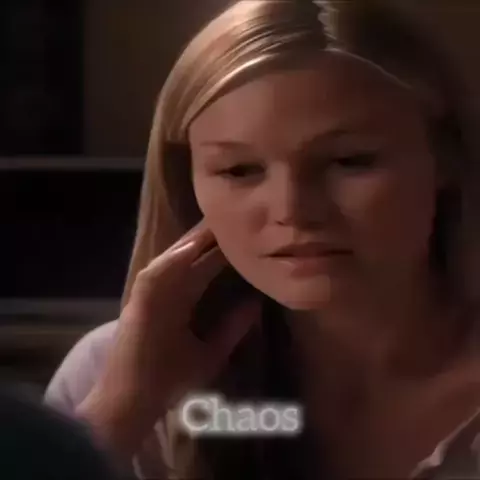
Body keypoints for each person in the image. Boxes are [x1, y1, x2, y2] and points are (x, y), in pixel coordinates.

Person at [44, 0, 480, 478]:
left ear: (445, 158)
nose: (292, 210)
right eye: (239, 170)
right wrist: (125, 407)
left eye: (349, 160)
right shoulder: (110, 374)